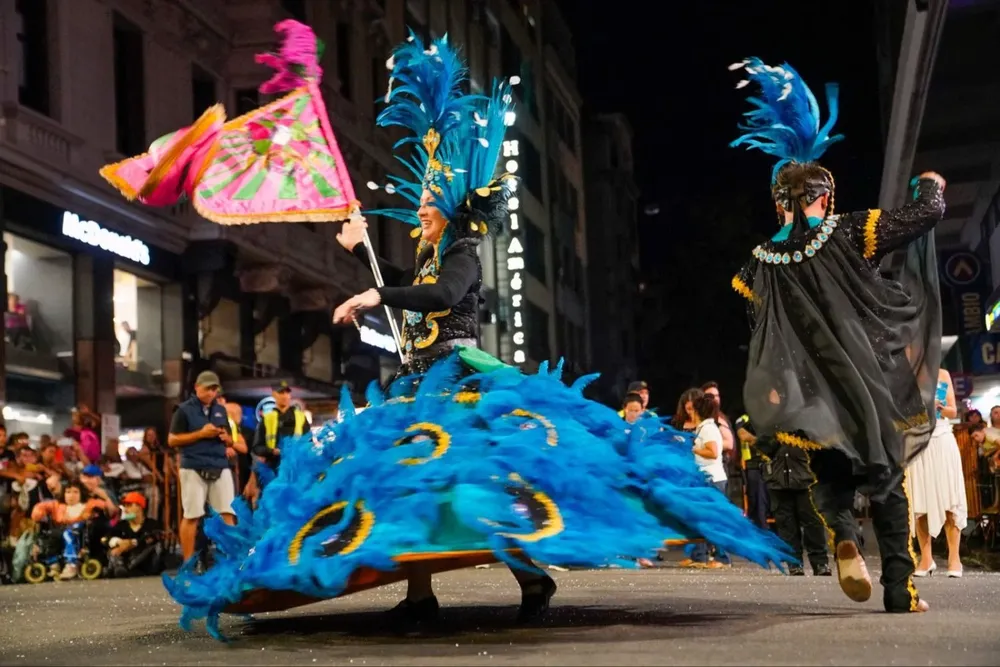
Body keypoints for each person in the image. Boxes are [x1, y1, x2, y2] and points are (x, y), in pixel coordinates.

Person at [157, 24, 790, 640]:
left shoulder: (461, 254)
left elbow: (439, 297)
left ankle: (532, 578)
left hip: (460, 380)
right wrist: (359, 255)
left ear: (452, 207)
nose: (420, 205)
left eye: (429, 197)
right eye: (420, 198)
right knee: (407, 482)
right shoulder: (427, 256)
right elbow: (408, 288)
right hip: (417, 383)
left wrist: (376, 292)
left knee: (484, 477)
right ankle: (420, 596)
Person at [729, 57, 946, 613]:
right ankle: (899, 589)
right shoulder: (850, 231)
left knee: (828, 475)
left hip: (806, 392)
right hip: (867, 380)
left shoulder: (758, 264)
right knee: (886, 480)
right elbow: (925, 215)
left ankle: (844, 536)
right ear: (825, 197)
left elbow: (761, 327)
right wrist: (930, 185)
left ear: (778, 202)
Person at [168, 370, 236, 562]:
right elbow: (172, 440)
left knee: (227, 513)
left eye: (214, 389)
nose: (211, 393)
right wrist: (200, 434)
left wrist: (227, 439)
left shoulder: (221, 410)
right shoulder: (183, 410)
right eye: (207, 388)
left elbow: (231, 440)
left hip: (219, 464)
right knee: (192, 515)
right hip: (193, 466)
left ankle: (230, 561)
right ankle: (188, 563)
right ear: (197, 387)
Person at [907, 369, 967, 578]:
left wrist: (939, 407)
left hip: (942, 439)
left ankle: (954, 558)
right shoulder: (906, 372)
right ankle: (926, 558)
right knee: (920, 502)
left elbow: (953, 411)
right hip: (917, 441)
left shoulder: (942, 374)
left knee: (950, 499)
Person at [251, 380, 310, 472]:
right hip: (274, 466)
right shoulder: (267, 419)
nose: (285, 396)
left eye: (287, 392)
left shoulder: (300, 417)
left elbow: (309, 442)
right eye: (281, 393)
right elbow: (257, 447)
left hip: (296, 466)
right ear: (274, 395)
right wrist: (271, 451)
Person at [106, 491, 165, 577]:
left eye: (129, 505)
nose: (125, 509)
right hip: (125, 561)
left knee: (155, 545)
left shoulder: (152, 524)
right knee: (112, 547)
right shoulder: (121, 525)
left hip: (146, 563)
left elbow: (154, 537)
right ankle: (119, 567)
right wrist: (119, 542)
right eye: (125, 506)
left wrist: (131, 543)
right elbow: (107, 538)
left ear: (139, 507)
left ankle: (128, 568)